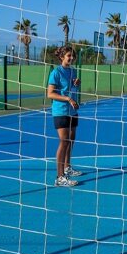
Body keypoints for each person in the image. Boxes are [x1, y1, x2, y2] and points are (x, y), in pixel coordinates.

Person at [47, 45, 83, 187]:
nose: (72, 58)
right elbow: (50, 94)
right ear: (62, 57)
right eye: (69, 55)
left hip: (72, 111)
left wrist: (77, 84)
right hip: (60, 111)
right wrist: (68, 99)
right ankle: (60, 177)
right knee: (64, 141)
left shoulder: (73, 71)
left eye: (73, 55)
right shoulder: (56, 72)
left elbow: (72, 89)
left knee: (71, 140)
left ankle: (67, 167)